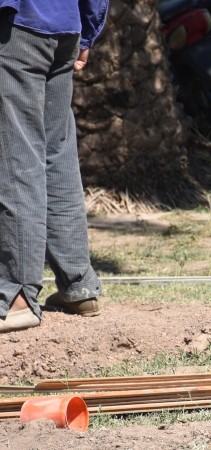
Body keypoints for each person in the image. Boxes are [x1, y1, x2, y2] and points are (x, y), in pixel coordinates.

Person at [0, 0, 107, 333]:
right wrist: (86, 32)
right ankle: (79, 285)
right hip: (66, 26)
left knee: (16, 153)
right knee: (56, 153)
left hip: (15, 25)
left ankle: (16, 293)